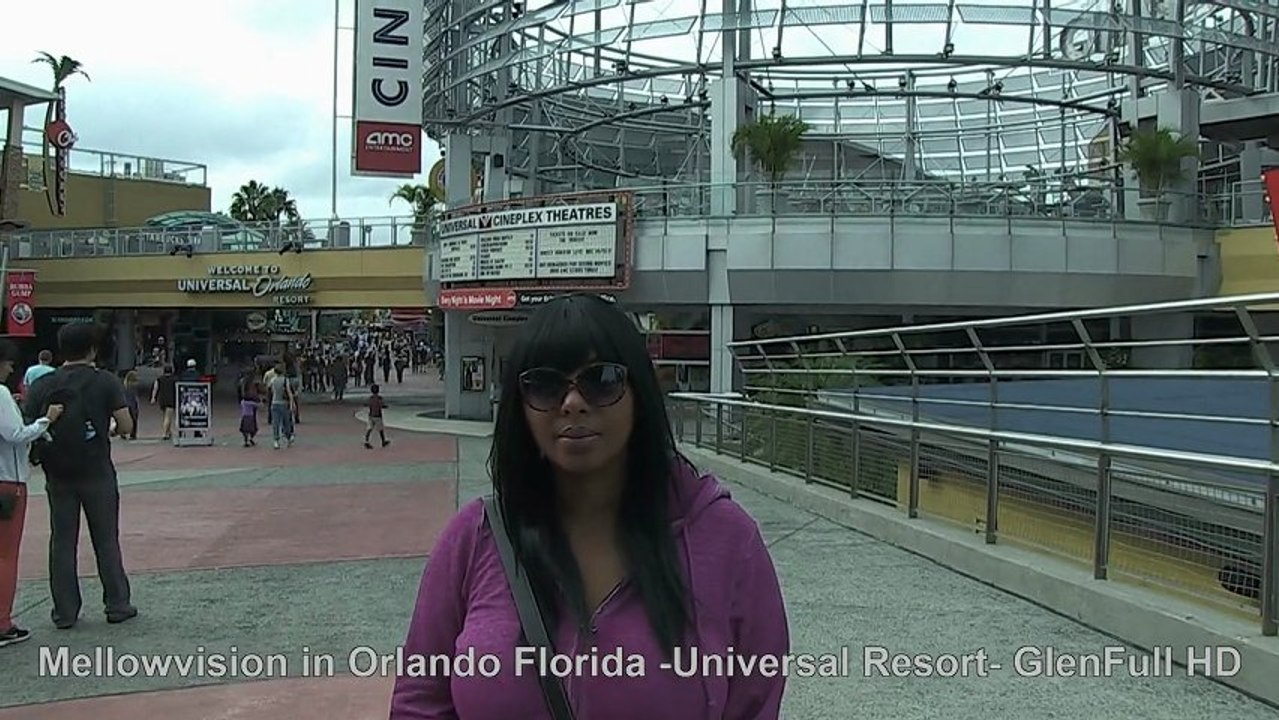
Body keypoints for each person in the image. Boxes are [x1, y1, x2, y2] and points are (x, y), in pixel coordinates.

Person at [389, 294, 789, 719]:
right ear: (519, 407)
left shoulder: (726, 538)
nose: (573, 402)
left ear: (639, 393)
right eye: (544, 384)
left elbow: (755, 702)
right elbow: (420, 703)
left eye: (601, 379)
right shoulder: (474, 538)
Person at [23, 321, 137, 629]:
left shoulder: (43, 385)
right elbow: (125, 426)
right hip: (97, 470)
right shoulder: (106, 381)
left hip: (57, 473)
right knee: (106, 539)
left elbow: (32, 427)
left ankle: (65, 612)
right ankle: (117, 603)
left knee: (62, 541)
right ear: (93, 349)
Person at [0, 340, 63, 647]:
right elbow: (15, 435)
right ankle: (2, 622)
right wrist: (46, 420)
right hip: (7, 483)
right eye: (8, 362)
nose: (12, 368)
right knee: (5, 556)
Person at [266, 362, 295, 449]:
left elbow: (270, 390)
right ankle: (289, 438)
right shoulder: (285, 380)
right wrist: (291, 404)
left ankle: (276, 441)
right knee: (286, 423)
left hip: (274, 403)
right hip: (284, 403)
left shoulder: (273, 380)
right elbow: (289, 393)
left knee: (276, 423)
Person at [150, 364, 176, 440]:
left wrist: (153, 397)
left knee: (166, 416)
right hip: (171, 399)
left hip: (162, 399)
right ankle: (165, 433)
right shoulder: (174, 379)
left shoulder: (159, 379)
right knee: (168, 417)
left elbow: (155, 388)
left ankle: (169, 432)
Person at [364, 384, 389, 449]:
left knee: (369, 429)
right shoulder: (379, 398)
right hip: (378, 416)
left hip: (371, 415)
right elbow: (382, 405)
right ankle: (383, 441)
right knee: (380, 429)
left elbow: (368, 404)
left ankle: (366, 441)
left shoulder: (370, 398)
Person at [121, 370, 140, 440]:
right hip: (132, 404)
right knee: (134, 419)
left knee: (126, 419)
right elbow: (135, 397)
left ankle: (123, 433)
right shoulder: (134, 386)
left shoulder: (124, 385)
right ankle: (133, 434)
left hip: (125, 403)